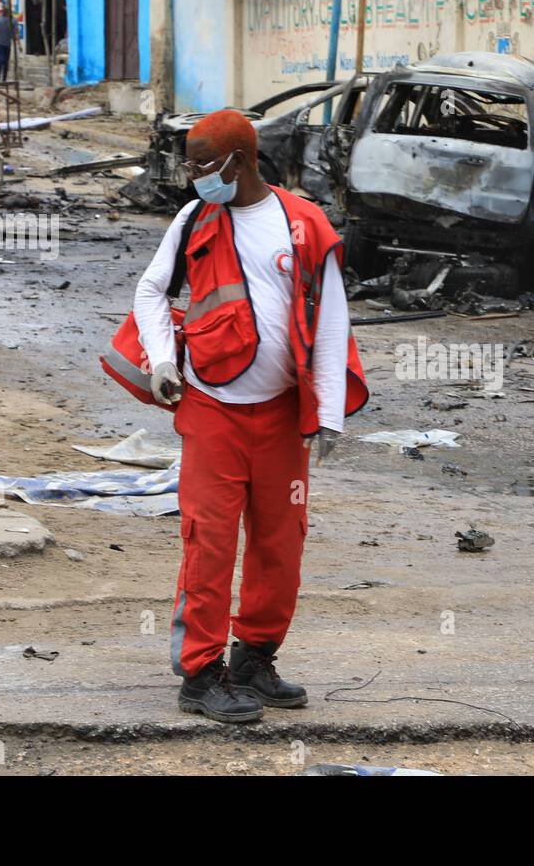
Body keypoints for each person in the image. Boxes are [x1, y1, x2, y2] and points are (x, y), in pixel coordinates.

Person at [133, 110, 368, 724]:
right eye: (189, 164)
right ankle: (201, 674)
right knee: (207, 543)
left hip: (284, 416)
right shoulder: (193, 220)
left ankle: (254, 659)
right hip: (212, 411)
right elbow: (151, 291)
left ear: (240, 161)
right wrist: (162, 361)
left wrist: (329, 413)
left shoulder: (304, 224)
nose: (192, 176)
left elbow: (333, 316)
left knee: (280, 543)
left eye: (202, 165)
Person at [0, 5, 14, 82]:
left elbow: (16, 31)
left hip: (7, 44)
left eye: (6, 10)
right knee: (1, 59)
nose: (4, 11)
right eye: (3, 9)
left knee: (6, 62)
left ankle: (4, 79)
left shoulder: (12, 20)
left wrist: (19, 44)